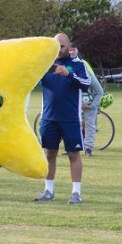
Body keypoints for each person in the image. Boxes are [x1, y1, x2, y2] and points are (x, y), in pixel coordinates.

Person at [35, 34, 92, 204]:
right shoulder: (45, 65)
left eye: (62, 46)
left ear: (68, 46)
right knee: (49, 153)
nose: (59, 49)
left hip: (70, 119)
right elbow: (29, 79)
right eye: (56, 46)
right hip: (49, 118)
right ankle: (48, 190)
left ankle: (76, 193)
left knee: (73, 154)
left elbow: (86, 83)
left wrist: (68, 74)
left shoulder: (78, 65)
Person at [70, 44, 105, 157]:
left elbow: (99, 92)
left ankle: (88, 149)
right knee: (73, 124)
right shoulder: (71, 75)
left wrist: (91, 105)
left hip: (89, 103)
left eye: (73, 50)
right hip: (76, 103)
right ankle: (72, 148)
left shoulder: (89, 76)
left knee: (90, 125)